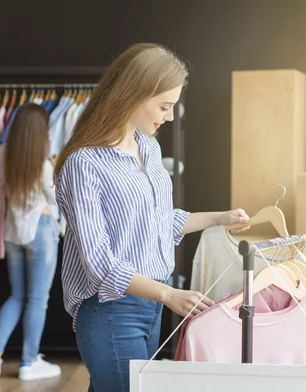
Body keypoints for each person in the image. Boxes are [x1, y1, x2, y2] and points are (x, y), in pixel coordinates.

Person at [53, 43, 251, 392]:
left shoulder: (149, 148)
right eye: (164, 106)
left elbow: (159, 223)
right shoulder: (84, 164)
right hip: (111, 312)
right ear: (133, 94)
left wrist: (219, 218)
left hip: (151, 308)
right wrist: (169, 294)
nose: (170, 116)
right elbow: (99, 263)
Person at [0, 103, 62, 382]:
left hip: (13, 231)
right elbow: (55, 197)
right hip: (41, 228)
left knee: (17, 296)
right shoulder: (42, 162)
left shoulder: (4, 154)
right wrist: (55, 166)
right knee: (38, 298)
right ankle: (29, 361)